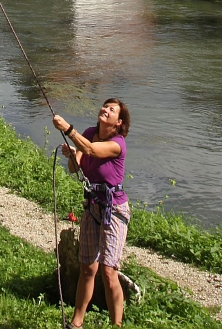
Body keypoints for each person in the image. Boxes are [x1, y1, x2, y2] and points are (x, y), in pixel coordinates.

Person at [53, 99, 131, 329]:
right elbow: (74, 167)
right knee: (87, 267)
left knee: (108, 272)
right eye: (105, 106)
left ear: (119, 122)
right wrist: (72, 155)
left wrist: (68, 130)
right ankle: (77, 323)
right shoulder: (88, 133)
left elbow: (91, 150)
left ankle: (116, 325)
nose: (105, 110)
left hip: (113, 210)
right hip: (92, 207)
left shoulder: (118, 144)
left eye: (112, 109)